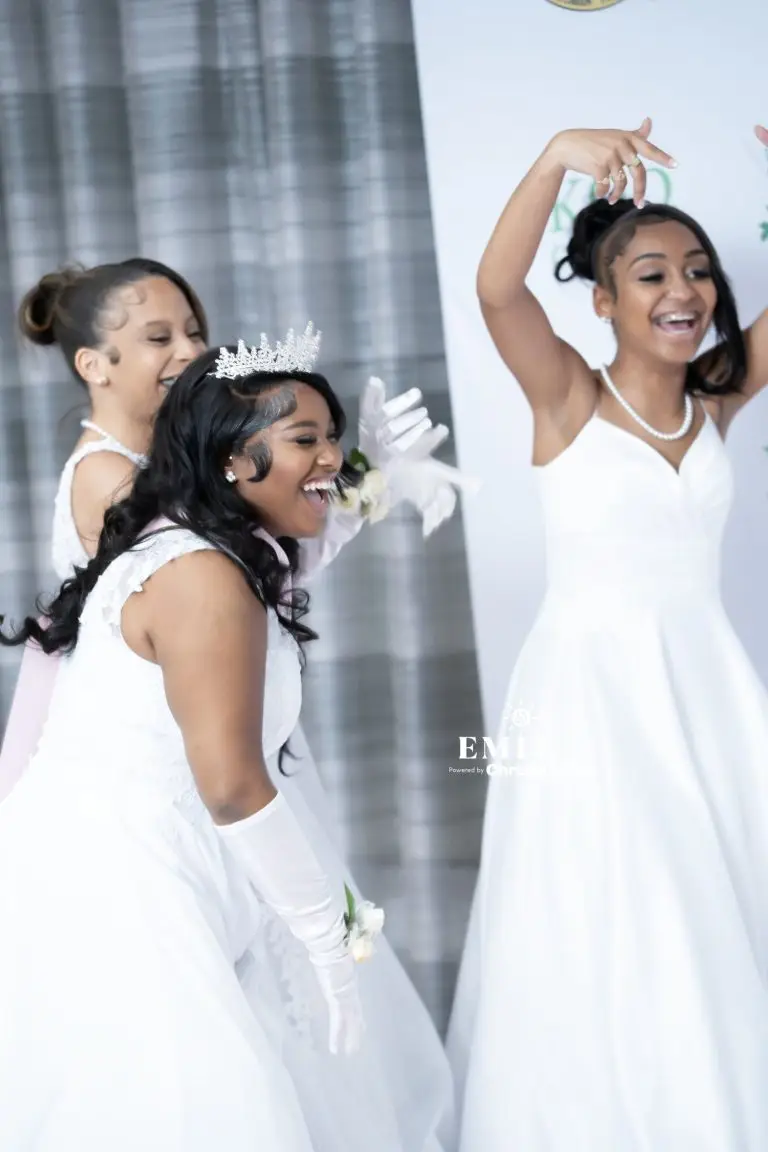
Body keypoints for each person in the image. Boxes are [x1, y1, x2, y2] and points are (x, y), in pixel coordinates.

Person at [0, 262, 469, 1150]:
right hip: (138, 849)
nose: (187, 348)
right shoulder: (161, 533)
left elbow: (256, 560)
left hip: (196, 809)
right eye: (158, 336)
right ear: (94, 364)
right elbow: (227, 767)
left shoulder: (203, 540)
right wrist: (325, 939)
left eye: (193, 329)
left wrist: (349, 485)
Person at [446, 118, 768, 1151]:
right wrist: (552, 158)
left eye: (700, 271)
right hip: (591, 700)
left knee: (710, 904)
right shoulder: (568, 398)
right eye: (652, 274)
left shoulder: (715, 403)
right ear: (603, 300)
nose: (686, 291)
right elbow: (497, 291)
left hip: (705, 693)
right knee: (618, 907)